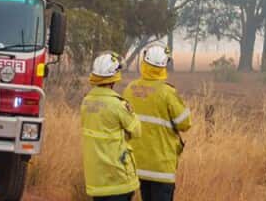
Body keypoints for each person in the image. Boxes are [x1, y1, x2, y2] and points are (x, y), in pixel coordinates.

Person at [122, 45, 191, 201]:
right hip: (161, 168)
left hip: (137, 165)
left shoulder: (130, 89)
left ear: (144, 63)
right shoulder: (167, 92)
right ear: (164, 67)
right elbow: (185, 123)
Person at [81, 52, 141, 201]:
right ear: (114, 77)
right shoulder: (117, 104)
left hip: (96, 181)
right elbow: (137, 131)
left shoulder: (86, 102)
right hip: (117, 178)